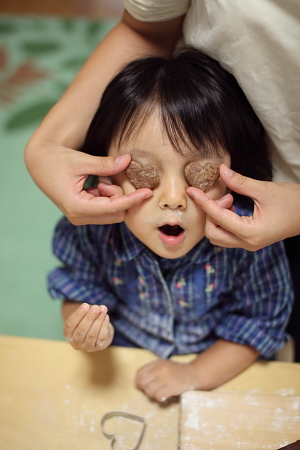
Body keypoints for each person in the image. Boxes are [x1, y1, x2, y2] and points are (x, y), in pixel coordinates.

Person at [48, 49, 293, 402]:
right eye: (141, 172)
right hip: (125, 357)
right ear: (107, 170)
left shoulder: (251, 236)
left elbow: (260, 322)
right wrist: (82, 325)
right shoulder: (91, 225)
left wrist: (194, 373)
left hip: (218, 364)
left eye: (201, 173)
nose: (174, 198)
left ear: (233, 172)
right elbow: (78, 286)